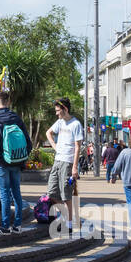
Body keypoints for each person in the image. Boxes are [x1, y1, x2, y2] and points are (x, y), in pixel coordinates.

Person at [0, 91, 31, 234]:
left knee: (4, 194)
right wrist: (21, 157)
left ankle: (5, 226)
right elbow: (28, 142)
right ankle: (18, 225)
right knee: (16, 193)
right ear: (8, 102)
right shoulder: (16, 118)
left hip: (2, 163)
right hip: (16, 160)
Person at [45, 98, 83, 233]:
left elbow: (78, 147)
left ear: (65, 109)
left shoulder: (76, 124)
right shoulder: (60, 122)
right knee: (52, 192)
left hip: (68, 161)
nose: (56, 114)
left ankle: (70, 223)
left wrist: (74, 167)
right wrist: (55, 147)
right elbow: (48, 133)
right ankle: (66, 215)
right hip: (57, 160)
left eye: (58, 111)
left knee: (66, 194)